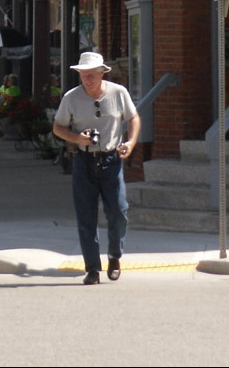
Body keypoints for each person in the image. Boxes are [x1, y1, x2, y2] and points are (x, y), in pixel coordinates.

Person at [52, 52, 140, 285]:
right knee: (86, 217)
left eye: (91, 75)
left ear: (102, 73)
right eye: (83, 75)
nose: (87, 80)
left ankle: (115, 256)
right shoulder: (71, 98)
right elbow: (58, 127)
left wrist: (130, 143)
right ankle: (92, 268)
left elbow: (133, 118)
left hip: (111, 161)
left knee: (118, 211)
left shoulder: (118, 93)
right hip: (84, 162)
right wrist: (77, 138)